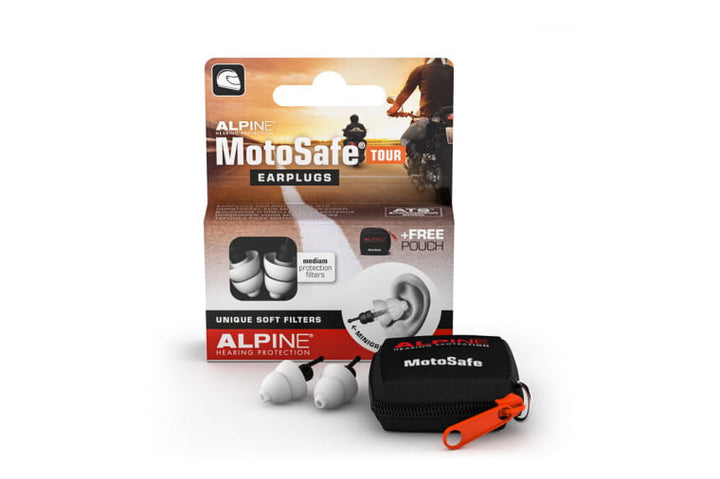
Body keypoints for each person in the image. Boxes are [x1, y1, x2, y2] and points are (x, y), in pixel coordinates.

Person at [387, 58, 453, 147]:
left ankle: (417, 155)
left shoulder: (421, 70)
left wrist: (394, 109)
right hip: (450, 119)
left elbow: (405, 92)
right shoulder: (452, 71)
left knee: (406, 139)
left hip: (429, 118)